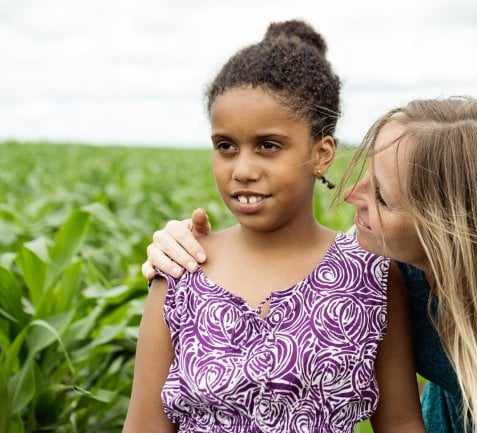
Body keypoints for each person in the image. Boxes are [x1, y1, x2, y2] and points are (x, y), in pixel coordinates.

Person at [143, 97, 477, 433]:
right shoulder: (387, 269)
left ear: (446, 229)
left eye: (382, 197)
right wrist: (176, 245)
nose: (352, 195)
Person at [123, 20, 425, 433]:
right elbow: (143, 426)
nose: (243, 170)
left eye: (268, 146)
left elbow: (402, 422)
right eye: (226, 146)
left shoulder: (370, 274)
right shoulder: (181, 271)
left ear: (321, 154)